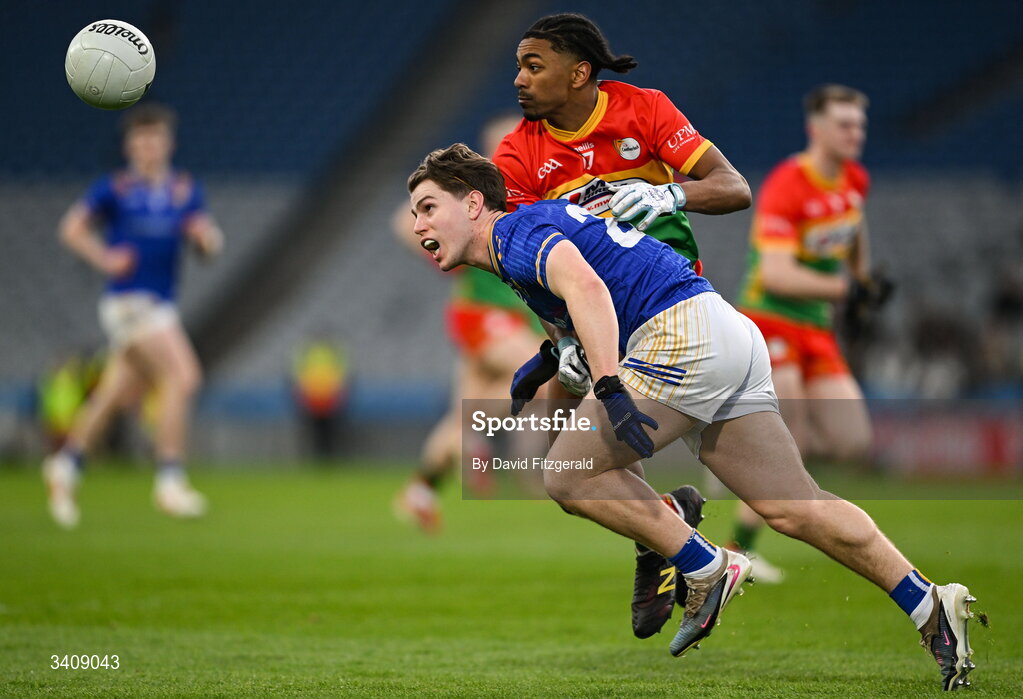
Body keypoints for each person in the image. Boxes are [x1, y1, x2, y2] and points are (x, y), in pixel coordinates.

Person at [407, 143, 978, 691]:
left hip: (679, 334)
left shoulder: (512, 232)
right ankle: (930, 603)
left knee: (568, 472)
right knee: (795, 505)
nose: (419, 226)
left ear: (475, 203)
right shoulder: (523, 238)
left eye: (430, 208)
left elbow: (584, 284)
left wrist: (608, 386)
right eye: (415, 213)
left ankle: (706, 565)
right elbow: (589, 283)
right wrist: (549, 357)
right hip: (724, 329)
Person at [493, 12, 749, 638]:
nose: (519, 80)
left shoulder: (645, 111)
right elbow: (534, 262)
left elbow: (733, 186)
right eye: (518, 66)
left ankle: (669, 542)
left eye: (534, 66)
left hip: (670, 309)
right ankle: (668, 531)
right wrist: (564, 342)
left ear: (579, 73)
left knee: (574, 467)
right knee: (573, 457)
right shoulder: (516, 153)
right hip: (596, 322)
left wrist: (671, 195)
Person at [732, 85, 891, 580]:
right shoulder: (788, 183)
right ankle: (739, 550)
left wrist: (863, 277)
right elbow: (777, 275)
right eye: (844, 124)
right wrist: (846, 288)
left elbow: (853, 225)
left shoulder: (853, 180)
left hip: (816, 327)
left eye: (859, 124)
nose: (855, 133)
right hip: (770, 318)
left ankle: (741, 455)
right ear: (816, 129)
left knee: (852, 441)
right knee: (791, 433)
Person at [43, 103, 223, 529]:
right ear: (129, 146)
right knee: (182, 377)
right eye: (140, 140)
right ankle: (169, 480)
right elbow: (71, 228)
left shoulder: (183, 190)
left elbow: (210, 245)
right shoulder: (115, 190)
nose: (148, 147)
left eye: (155, 138)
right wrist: (104, 258)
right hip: (129, 303)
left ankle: (66, 464)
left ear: (168, 143)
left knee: (113, 394)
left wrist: (204, 240)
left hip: (160, 304)